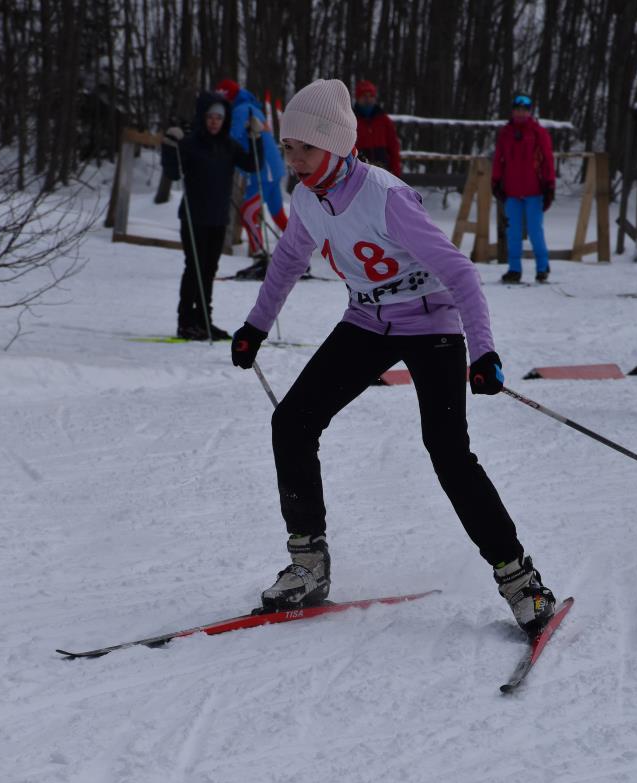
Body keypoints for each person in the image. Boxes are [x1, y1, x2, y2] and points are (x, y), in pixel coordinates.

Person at [229, 78, 556, 637]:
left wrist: (483, 352)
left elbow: (460, 272)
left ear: (336, 145)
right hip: (367, 320)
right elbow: (286, 262)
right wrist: (255, 327)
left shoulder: (386, 196)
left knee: (448, 451)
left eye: (305, 148)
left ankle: (521, 581)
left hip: (431, 323)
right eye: (288, 148)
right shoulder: (307, 199)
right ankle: (308, 563)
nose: (295, 160)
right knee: (293, 421)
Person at [162, 92, 261, 339]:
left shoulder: (228, 145)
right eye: (210, 117)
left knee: (208, 271)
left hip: (218, 218)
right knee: (194, 268)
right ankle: (186, 322)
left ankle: (204, 319)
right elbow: (173, 173)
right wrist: (169, 146)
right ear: (203, 118)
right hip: (194, 217)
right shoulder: (190, 144)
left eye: (219, 117)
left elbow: (252, 165)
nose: (214, 122)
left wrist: (256, 138)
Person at [215, 79, 289, 280]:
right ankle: (299, 256)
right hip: (269, 169)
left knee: (248, 212)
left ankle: (260, 257)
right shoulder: (247, 107)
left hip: (264, 171)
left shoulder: (242, 110)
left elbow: (232, 138)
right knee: (277, 214)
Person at [491, 94, 556, 285]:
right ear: (513, 111)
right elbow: (499, 159)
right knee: (513, 232)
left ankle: (542, 267)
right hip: (512, 192)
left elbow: (547, 159)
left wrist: (550, 185)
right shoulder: (506, 133)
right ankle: (514, 269)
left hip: (534, 191)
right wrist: (495, 181)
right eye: (517, 109)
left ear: (530, 112)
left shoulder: (538, 132)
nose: (521, 113)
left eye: (524, 110)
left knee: (535, 231)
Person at [353, 79, 402, 177]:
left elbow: (393, 147)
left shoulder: (384, 120)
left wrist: (396, 171)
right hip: (358, 173)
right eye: (364, 96)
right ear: (358, 98)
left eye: (371, 96)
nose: (368, 99)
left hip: (383, 172)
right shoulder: (351, 120)